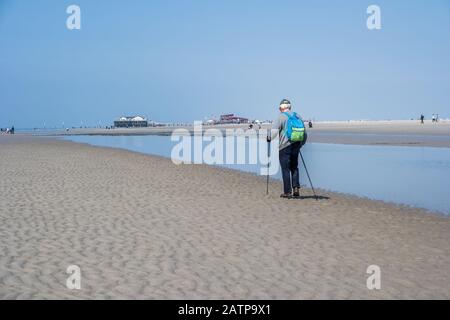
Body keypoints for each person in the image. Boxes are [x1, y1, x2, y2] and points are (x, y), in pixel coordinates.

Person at [267, 99, 307, 198]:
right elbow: (304, 134)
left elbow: (273, 133)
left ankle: (287, 192)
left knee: (285, 169)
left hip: (284, 146)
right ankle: (296, 188)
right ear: (290, 107)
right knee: (294, 166)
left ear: (281, 108)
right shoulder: (298, 116)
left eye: (279, 108)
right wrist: (301, 144)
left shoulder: (280, 117)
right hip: (296, 145)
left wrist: (268, 138)